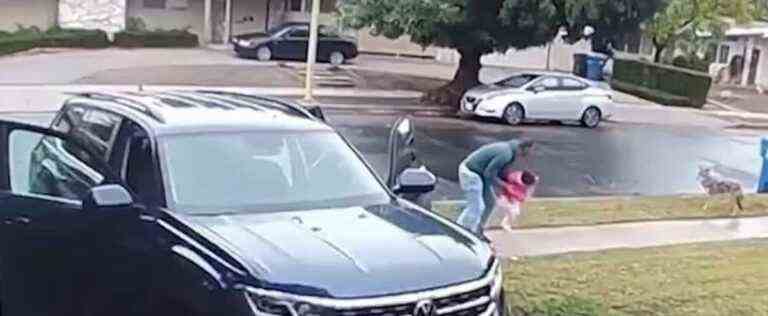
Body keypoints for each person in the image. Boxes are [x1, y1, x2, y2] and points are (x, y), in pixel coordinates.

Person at [456, 139, 535, 234]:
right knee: (477, 207)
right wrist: (505, 186)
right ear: (524, 148)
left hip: (480, 175)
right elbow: (489, 173)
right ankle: (460, 231)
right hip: (471, 173)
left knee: (490, 203)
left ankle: (478, 231)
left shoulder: (511, 152)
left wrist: (512, 181)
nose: (531, 153)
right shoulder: (506, 154)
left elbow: (499, 172)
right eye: (530, 150)